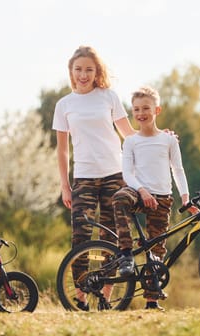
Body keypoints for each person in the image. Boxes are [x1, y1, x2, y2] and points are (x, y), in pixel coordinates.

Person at [52, 46, 136, 310]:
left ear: (97, 71)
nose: (83, 74)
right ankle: (81, 295)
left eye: (89, 69)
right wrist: (65, 186)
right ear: (71, 72)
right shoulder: (64, 105)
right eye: (78, 69)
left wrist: (158, 138)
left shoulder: (108, 97)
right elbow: (63, 149)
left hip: (114, 174)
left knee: (111, 236)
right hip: (84, 178)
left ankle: (107, 296)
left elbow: (129, 135)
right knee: (81, 237)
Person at [112, 86, 197, 311]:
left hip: (162, 199)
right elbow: (127, 173)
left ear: (157, 110)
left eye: (146, 108)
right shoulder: (130, 141)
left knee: (157, 250)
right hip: (137, 192)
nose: (141, 113)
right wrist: (142, 191)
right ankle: (126, 253)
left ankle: (152, 300)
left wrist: (186, 198)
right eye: (136, 109)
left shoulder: (169, 140)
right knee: (120, 198)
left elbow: (178, 170)